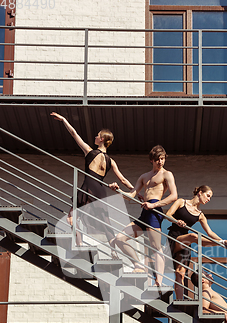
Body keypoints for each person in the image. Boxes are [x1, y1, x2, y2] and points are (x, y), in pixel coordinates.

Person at [50, 112, 134, 245]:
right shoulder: (111, 161)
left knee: (72, 218)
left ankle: (79, 244)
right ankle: (114, 250)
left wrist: (64, 120)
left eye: (97, 135)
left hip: (87, 187)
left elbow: (74, 134)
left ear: (101, 139)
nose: (95, 136)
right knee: (105, 222)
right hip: (100, 190)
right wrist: (136, 191)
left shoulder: (90, 151)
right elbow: (123, 180)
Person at [110, 145, 178, 287]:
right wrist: (118, 191)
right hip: (144, 212)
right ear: (152, 160)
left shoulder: (167, 174)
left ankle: (158, 281)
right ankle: (138, 265)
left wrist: (154, 205)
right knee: (120, 238)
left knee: (156, 247)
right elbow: (131, 196)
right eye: (158, 159)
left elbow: (174, 196)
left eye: (162, 159)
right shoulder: (144, 176)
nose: (160, 162)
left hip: (155, 210)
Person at [165, 185, 227, 300]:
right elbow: (167, 215)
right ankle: (223, 242)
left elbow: (210, 232)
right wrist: (177, 221)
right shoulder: (181, 202)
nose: (209, 199)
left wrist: (219, 239)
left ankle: (180, 301)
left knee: (180, 273)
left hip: (186, 244)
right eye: (208, 195)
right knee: (193, 236)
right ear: (200, 193)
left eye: (210, 197)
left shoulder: (200, 215)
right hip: (175, 237)